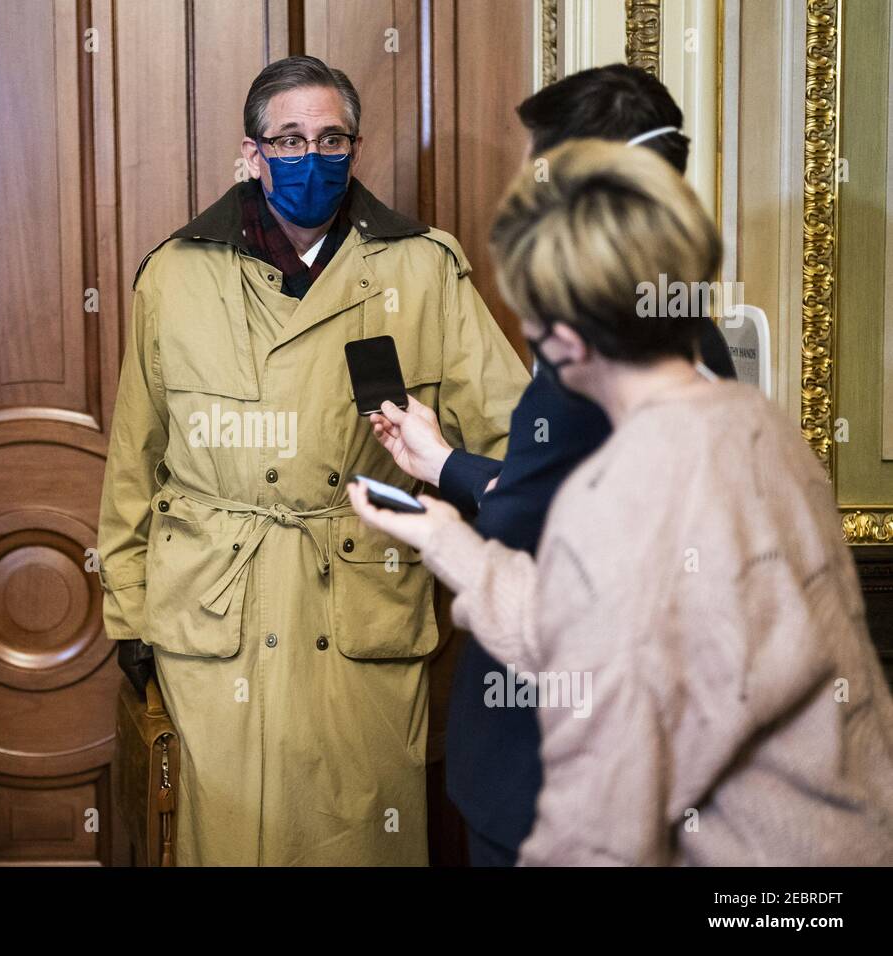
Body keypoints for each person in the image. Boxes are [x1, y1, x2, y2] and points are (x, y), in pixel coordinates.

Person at [350, 139, 893, 865]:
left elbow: (600, 830)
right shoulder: (759, 426)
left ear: (564, 339)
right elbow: (616, 633)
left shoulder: (618, 490)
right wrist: (456, 546)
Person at [96, 55, 528, 865]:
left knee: (359, 840)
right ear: (253, 154)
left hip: (359, 609)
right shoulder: (176, 276)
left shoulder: (423, 269)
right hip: (215, 616)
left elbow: (513, 439)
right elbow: (135, 462)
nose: (312, 157)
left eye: (332, 139)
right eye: (288, 140)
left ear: (355, 149)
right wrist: (129, 613)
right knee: (223, 840)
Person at [368, 63, 737, 867]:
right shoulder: (671, 324)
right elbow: (565, 491)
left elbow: (532, 538)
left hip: (558, 773)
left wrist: (441, 529)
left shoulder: (607, 345)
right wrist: (444, 462)